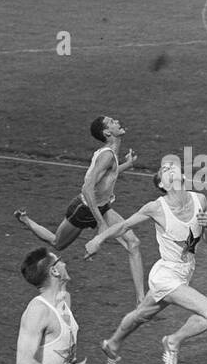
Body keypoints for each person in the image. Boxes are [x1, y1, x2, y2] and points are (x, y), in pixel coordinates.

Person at [85, 155, 207, 364]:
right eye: (165, 170)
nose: (169, 168)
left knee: (141, 315)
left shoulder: (200, 200)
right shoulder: (156, 208)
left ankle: (113, 344)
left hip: (184, 273)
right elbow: (123, 225)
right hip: (166, 275)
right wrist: (98, 240)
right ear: (162, 185)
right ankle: (173, 340)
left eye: (172, 166)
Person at [14, 116, 145, 304]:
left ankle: (141, 300)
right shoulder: (107, 155)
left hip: (102, 206)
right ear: (107, 133)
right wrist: (100, 223)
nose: (117, 121)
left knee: (133, 242)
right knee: (57, 243)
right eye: (112, 122)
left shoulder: (111, 153)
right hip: (83, 209)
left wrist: (127, 165)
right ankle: (26, 220)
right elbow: (87, 188)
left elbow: (108, 174)